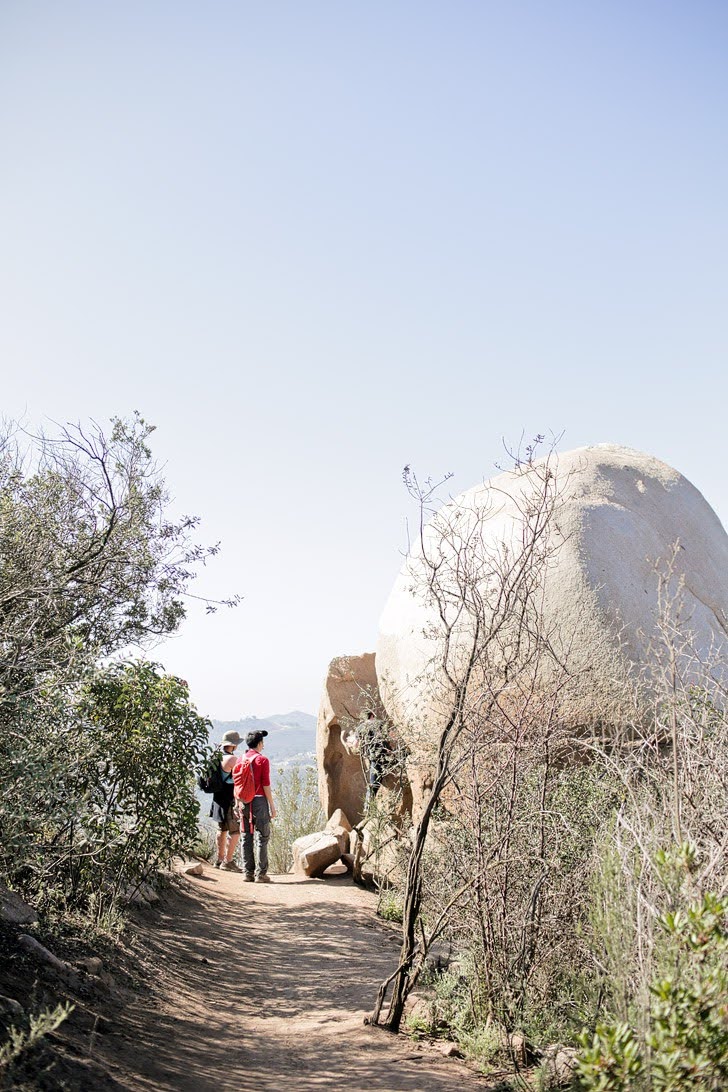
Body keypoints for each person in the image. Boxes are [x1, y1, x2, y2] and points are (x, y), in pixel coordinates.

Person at [240, 729, 277, 882]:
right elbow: (266, 784)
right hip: (259, 801)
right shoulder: (262, 760)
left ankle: (247, 873)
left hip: (243, 802)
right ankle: (260, 874)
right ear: (260, 743)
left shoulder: (240, 759)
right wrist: (272, 805)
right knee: (262, 837)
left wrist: (237, 803)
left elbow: (237, 784)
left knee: (246, 836)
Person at [210, 730, 243, 871]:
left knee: (221, 829)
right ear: (234, 745)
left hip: (218, 797)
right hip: (229, 798)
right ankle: (228, 861)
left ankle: (219, 859)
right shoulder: (232, 759)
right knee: (235, 831)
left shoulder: (215, 757)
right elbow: (241, 777)